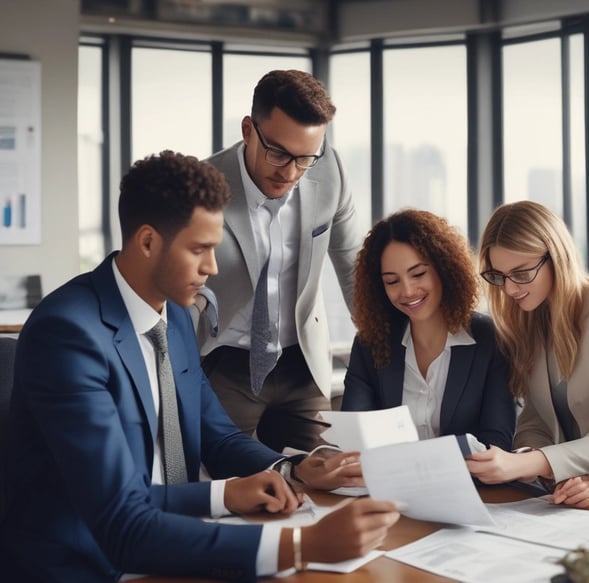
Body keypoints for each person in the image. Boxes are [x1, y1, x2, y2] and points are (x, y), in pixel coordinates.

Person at [0, 151, 398, 582]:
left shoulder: (172, 314)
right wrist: (303, 544)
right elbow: (122, 522)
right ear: (148, 242)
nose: (212, 267)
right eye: (200, 249)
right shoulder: (68, 334)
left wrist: (290, 469)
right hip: (87, 564)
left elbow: (216, 434)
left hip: (168, 542)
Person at [197, 69, 364, 453]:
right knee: (223, 477)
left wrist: (386, 348)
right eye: (278, 153)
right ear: (247, 130)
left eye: (304, 158)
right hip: (225, 362)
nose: (290, 172)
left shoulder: (330, 172)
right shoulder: (203, 184)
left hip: (301, 362)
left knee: (325, 476)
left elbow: (354, 268)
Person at [466, 200, 589, 509]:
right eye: (499, 276)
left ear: (556, 258)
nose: (509, 289)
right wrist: (546, 469)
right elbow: (534, 421)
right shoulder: (527, 315)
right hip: (565, 492)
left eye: (521, 273)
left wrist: (528, 465)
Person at [341, 209, 516, 450]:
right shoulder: (370, 344)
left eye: (418, 274)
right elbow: (354, 436)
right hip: (388, 482)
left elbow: (498, 441)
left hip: (471, 483)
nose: (407, 291)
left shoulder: (490, 340)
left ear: (444, 269)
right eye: (392, 281)